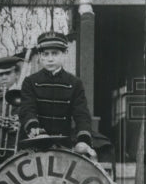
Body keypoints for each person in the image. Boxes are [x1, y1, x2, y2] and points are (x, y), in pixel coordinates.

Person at [18, 31, 96, 159]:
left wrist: (83, 139)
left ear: (65, 54)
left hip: (62, 145)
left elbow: (81, 114)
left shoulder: (75, 83)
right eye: (45, 54)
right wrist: (33, 126)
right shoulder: (30, 81)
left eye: (55, 53)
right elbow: (27, 109)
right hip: (33, 144)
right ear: (40, 56)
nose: (50, 59)